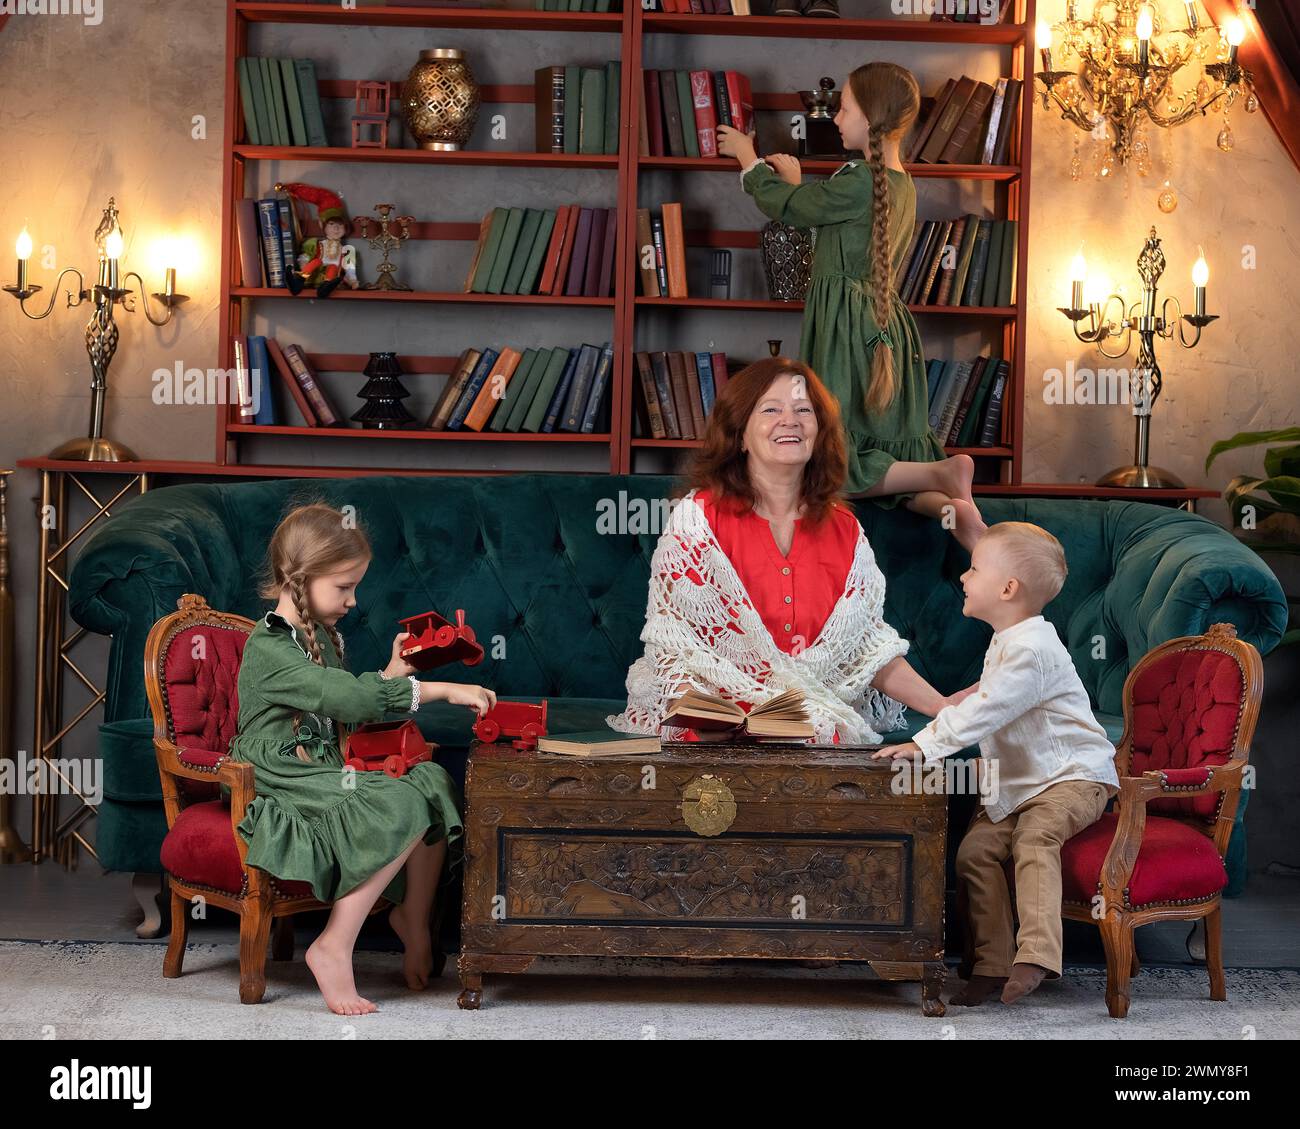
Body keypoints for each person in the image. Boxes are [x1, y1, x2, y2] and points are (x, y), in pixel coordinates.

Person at [608, 356, 976, 745]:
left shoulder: (846, 529)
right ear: (740, 435)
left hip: (810, 722)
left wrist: (942, 705)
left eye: (804, 410)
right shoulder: (696, 519)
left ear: (819, 432)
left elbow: (867, 651)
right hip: (713, 727)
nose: (790, 420)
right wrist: (708, 717)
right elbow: (672, 647)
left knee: (827, 736)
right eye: (771, 409)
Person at [228, 502, 496, 1015]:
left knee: (431, 781)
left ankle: (412, 916)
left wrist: (394, 672)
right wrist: (440, 690)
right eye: (344, 587)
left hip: (322, 766)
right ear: (301, 579)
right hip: (280, 773)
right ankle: (333, 944)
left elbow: (343, 709)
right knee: (399, 803)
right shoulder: (269, 647)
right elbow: (348, 697)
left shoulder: (320, 637)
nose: (353, 600)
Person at [717, 62, 986, 550]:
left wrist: (747, 158)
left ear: (872, 117)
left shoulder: (860, 179)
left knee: (829, 462)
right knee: (881, 453)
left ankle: (940, 475)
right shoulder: (899, 184)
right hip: (884, 327)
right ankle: (951, 506)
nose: (836, 119)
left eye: (843, 109)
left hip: (847, 329)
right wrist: (799, 185)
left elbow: (790, 208)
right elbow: (830, 223)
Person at [874, 522, 1120, 1005]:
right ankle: (991, 962)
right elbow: (988, 694)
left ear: (1008, 589)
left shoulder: (1032, 648)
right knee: (974, 854)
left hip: (1071, 776)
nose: (964, 578)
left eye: (973, 569)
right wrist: (956, 700)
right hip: (1019, 781)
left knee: (1035, 837)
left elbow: (989, 708)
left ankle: (1038, 954)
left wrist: (925, 744)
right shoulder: (1009, 642)